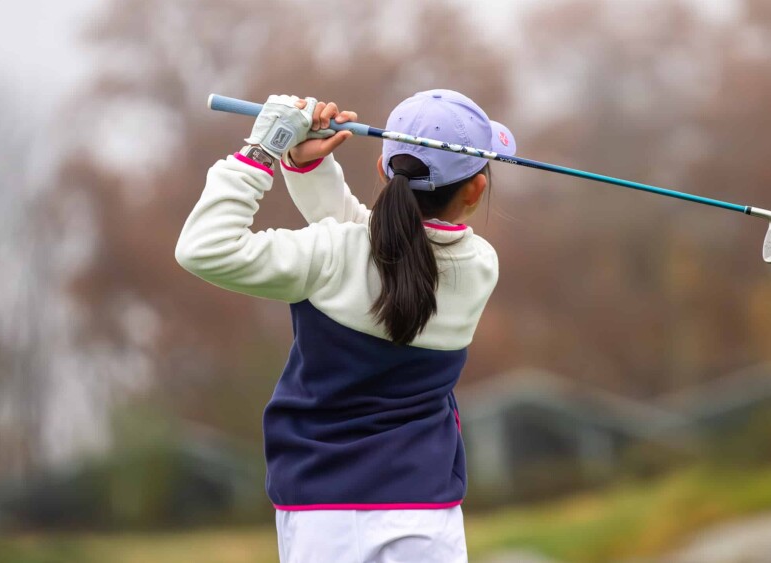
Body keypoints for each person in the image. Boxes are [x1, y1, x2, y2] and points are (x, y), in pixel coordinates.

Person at [175, 89, 516, 562]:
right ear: (475, 190)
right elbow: (376, 242)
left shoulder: (332, 254)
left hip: (321, 514)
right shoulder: (479, 265)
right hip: (426, 512)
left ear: (383, 170)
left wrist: (265, 149)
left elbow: (204, 247)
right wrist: (308, 166)